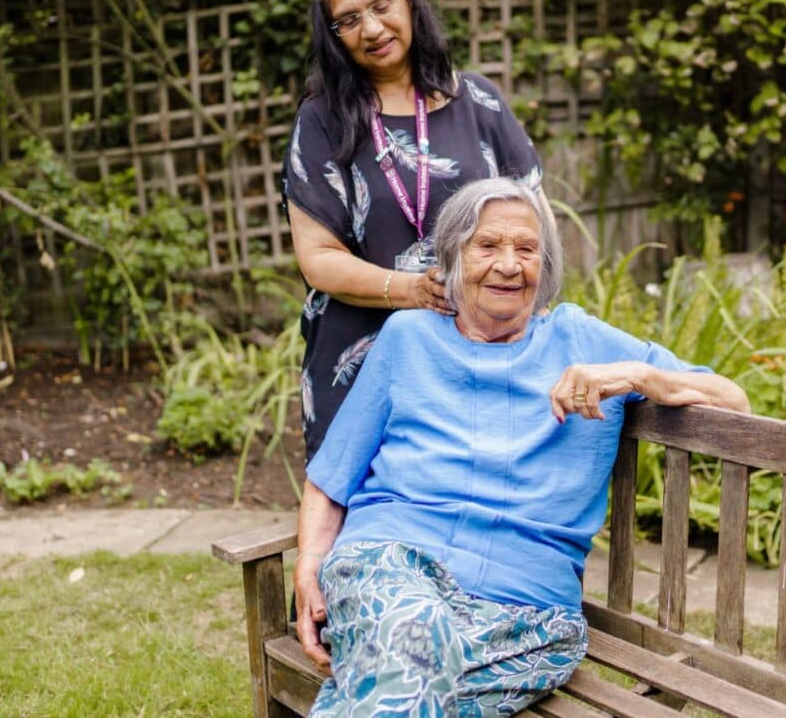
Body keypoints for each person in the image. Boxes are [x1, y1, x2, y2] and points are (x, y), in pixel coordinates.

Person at [294, 178, 751, 717]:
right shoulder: (408, 337)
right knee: (414, 634)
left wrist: (632, 375)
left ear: (545, 265)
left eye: (526, 249)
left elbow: (734, 402)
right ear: (454, 259)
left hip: (527, 611)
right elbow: (334, 473)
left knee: (403, 674)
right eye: (487, 246)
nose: (509, 265)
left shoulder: (580, 341)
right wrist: (309, 564)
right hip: (393, 565)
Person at [282, 0, 544, 460]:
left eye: (381, 6)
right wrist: (412, 290)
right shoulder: (321, 121)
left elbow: (538, 232)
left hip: (481, 359)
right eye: (349, 20)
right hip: (360, 368)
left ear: (409, 2)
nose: (372, 29)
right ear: (333, 36)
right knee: (362, 524)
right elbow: (318, 260)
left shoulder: (481, 103)